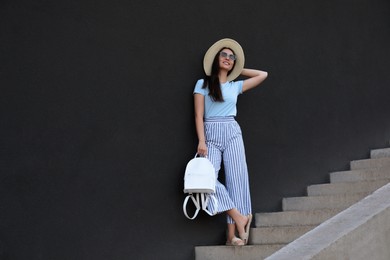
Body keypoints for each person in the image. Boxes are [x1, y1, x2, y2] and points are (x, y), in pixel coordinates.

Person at [193, 38, 268, 246]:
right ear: (216, 59)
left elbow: (263, 75)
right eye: (224, 55)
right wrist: (202, 140)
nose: (227, 58)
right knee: (208, 179)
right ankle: (238, 216)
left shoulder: (235, 86)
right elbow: (198, 116)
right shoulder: (203, 84)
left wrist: (238, 69)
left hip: (232, 131)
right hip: (210, 132)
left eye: (231, 57)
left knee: (237, 180)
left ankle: (231, 236)